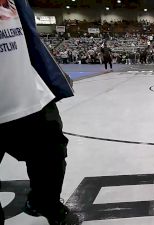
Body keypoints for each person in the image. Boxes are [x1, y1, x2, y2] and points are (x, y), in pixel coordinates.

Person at [0, 0, 78, 225]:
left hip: (27, 90)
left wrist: (50, 74)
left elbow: (29, 35)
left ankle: (45, 202)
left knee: (52, 153)